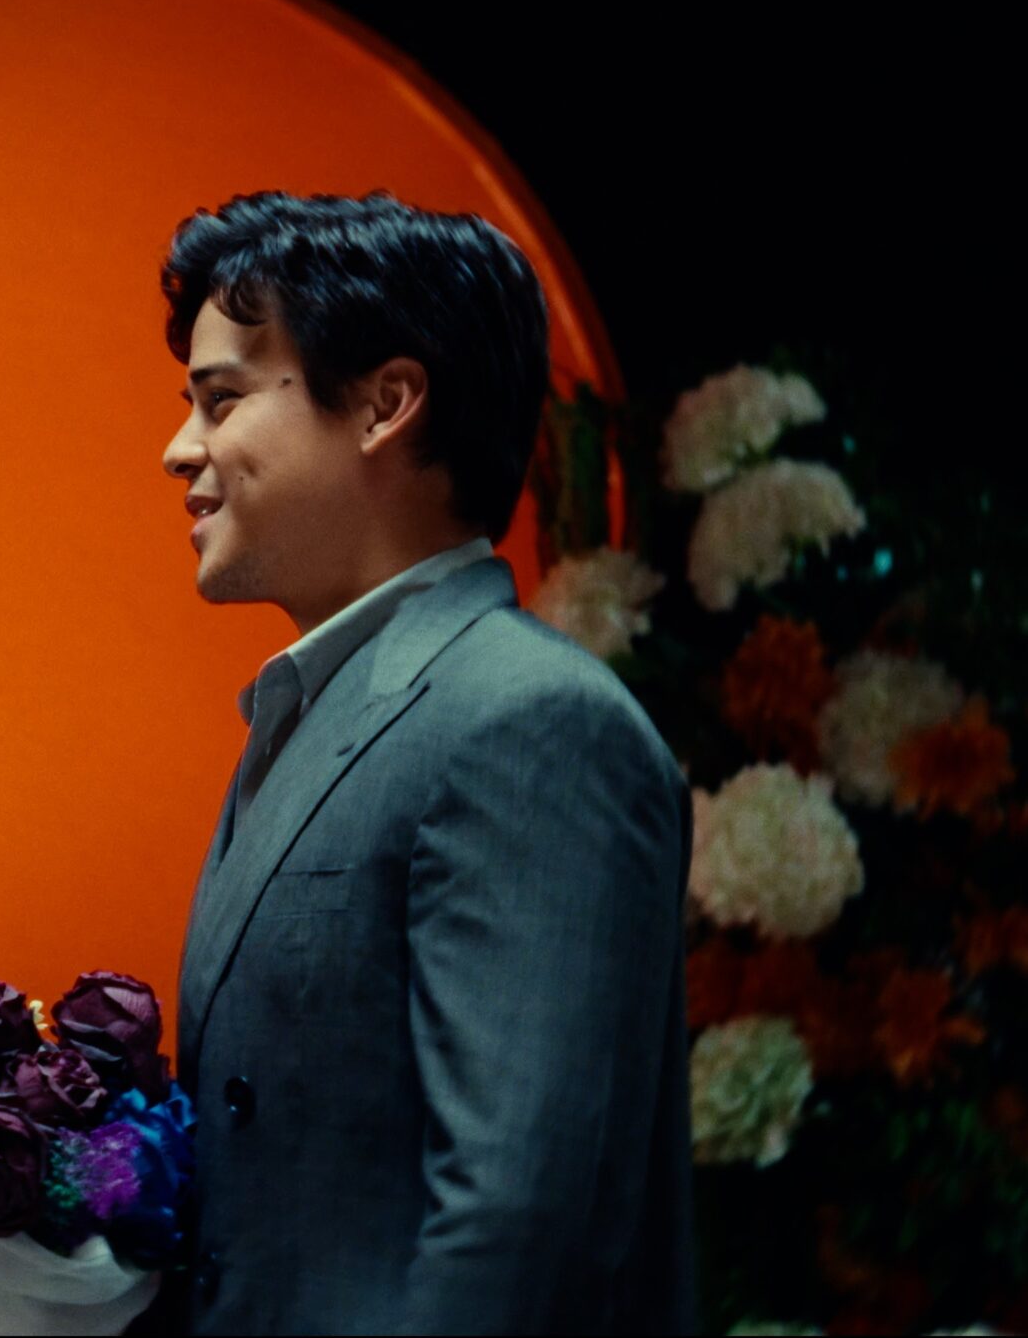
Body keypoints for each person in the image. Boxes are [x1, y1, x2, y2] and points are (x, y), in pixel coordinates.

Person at [158, 192, 696, 1333]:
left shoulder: (529, 719)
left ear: (385, 405)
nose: (179, 449)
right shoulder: (328, 706)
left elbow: (518, 1220)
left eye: (222, 399)